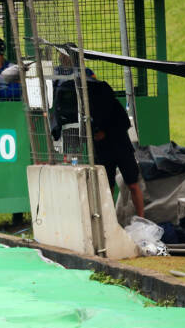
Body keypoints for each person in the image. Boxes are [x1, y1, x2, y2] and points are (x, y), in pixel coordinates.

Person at [50, 71, 145, 218]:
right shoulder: (77, 104)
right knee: (107, 188)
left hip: (120, 146)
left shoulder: (105, 96)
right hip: (101, 150)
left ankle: (142, 219)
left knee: (132, 184)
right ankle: (110, 221)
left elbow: (124, 123)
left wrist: (105, 133)